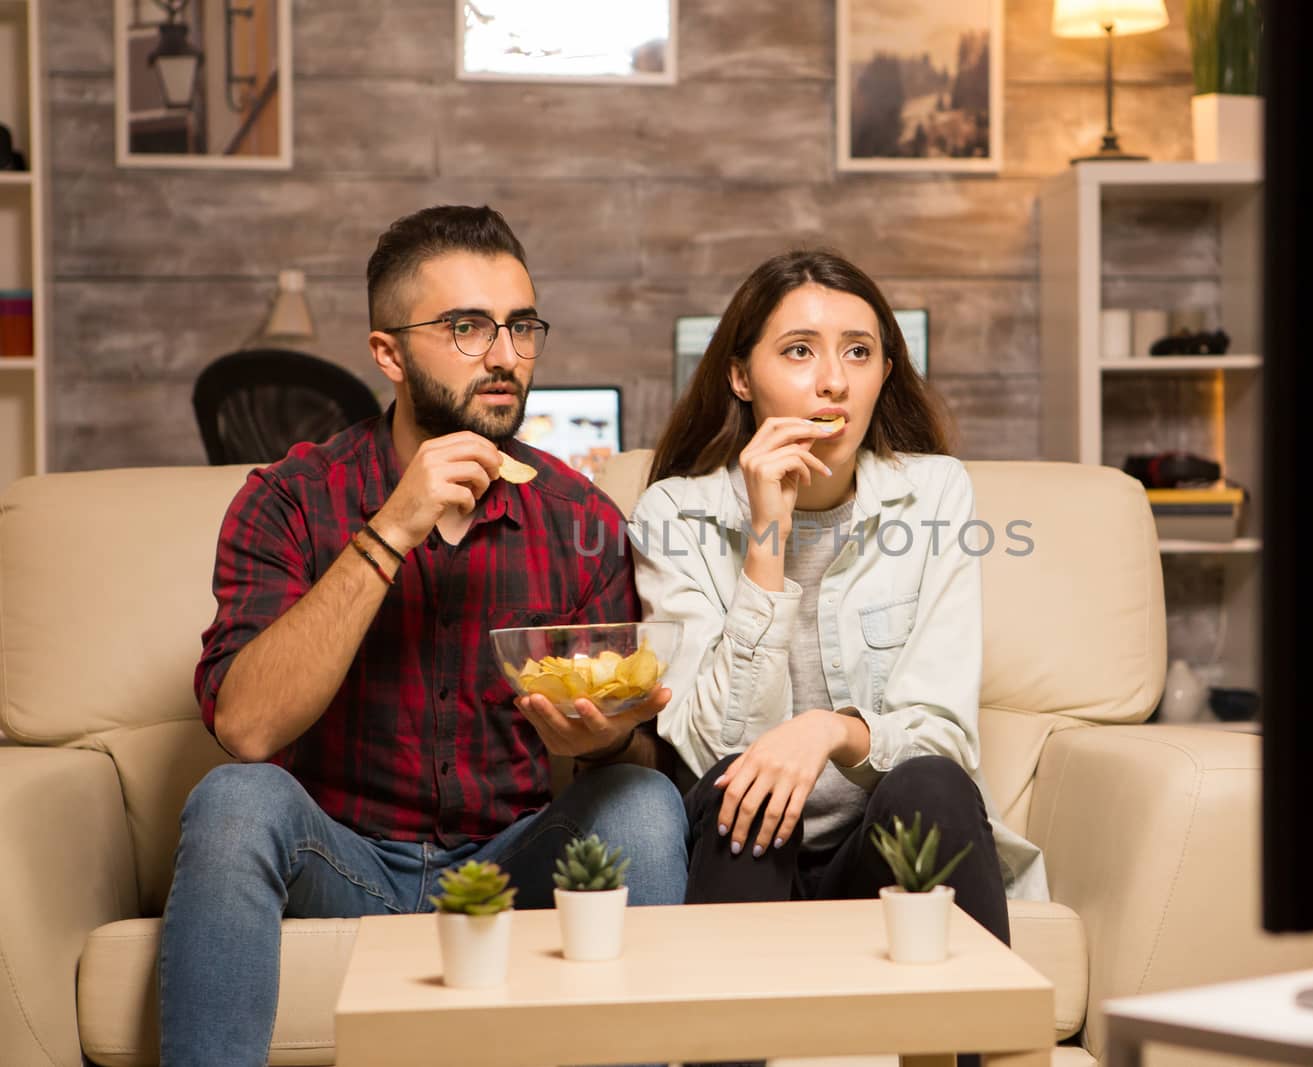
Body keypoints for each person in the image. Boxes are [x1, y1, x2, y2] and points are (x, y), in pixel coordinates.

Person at [162, 205, 688, 1066]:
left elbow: (623, 760)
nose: (505, 355)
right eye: (467, 327)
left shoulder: (578, 516)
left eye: (521, 326)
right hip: (341, 857)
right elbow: (247, 729)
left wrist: (601, 739)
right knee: (232, 801)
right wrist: (392, 527)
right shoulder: (293, 498)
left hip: (509, 861)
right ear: (388, 354)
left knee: (646, 803)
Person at [630, 249, 1046, 949]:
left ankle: (978, 1048)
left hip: (879, 848)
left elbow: (943, 733)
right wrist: (767, 540)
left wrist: (830, 727)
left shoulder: (936, 493)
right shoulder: (675, 513)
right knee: (741, 782)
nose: (833, 382)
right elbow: (711, 750)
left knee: (934, 784)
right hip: (747, 848)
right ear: (739, 375)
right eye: (798, 351)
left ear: (886, 371)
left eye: (859, 352)